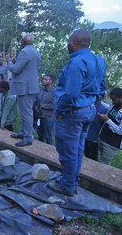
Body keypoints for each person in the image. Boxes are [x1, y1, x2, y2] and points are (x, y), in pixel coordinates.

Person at [50, 29, 106, 197]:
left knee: (68, 151)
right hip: (89, 111)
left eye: (68, 41)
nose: (67, 44)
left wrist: (59, 112)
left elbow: (71, 94)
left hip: (72, 114)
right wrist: (93, 101)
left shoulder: (76, 63)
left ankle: (68, 186)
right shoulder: (99, 60)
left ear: (73, 42)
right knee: (77, 149)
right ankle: (72, 181)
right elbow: (102, 88)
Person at [7, 34, 41, 147]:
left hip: (25, 88)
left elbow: (16, 70)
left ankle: (28, 137)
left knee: (26, 113)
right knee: (26, 112)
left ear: (23, 42)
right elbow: (30, 68)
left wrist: (10, 62)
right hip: (31, 86)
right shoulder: (36, 52)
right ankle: (22, 132)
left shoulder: (25, 52)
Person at [98, 88, 122, 165]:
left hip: (111, 144)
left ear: (120, 98)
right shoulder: (114, 105)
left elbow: (120, 131)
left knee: (104, 165)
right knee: (99, 161)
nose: (112, 102)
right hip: (102, 137)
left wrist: (107, 120)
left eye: (114, 100)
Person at [84, 96, 108, 161]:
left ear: (102, 96)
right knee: (85, 155)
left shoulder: (105, 109)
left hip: (94, 138)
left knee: (92, 158)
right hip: (84, 135)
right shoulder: (87, 104)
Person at [36, 75, 56, 145]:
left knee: (48, 137)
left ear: (51, 81)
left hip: (48, 117)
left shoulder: (54, 92)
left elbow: (54, 105)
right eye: (43, 79)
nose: (43, 80)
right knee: (40, 135)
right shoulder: (41, 90)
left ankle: (50, 152)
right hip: (39, 117)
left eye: (46, 79)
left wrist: (42, 105)